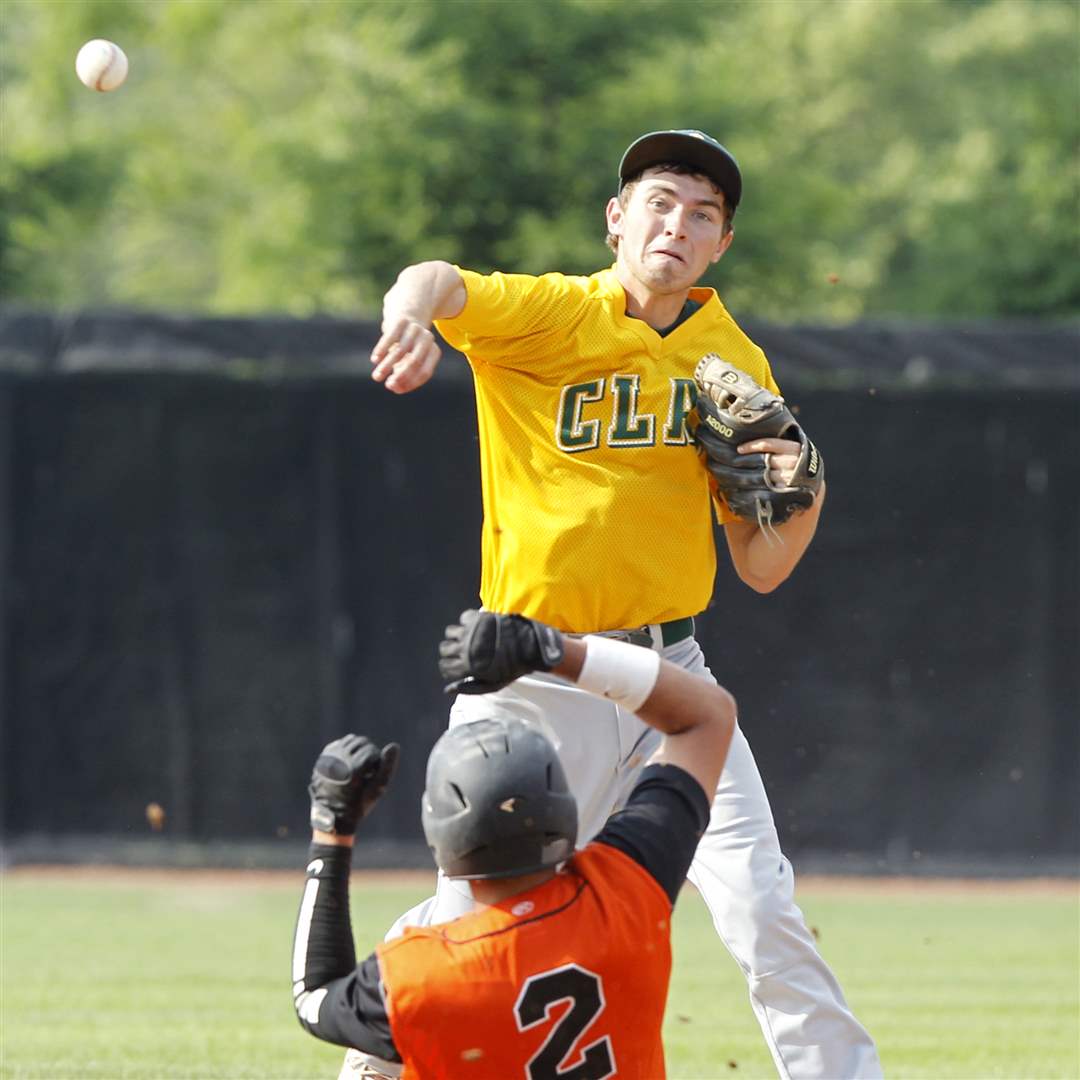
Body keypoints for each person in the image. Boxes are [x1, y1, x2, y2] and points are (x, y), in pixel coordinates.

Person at [361, 129, 881, 1078]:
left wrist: (809, 488)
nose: (677, 225)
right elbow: (440, 279)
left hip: (666, 680)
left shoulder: (735, 361)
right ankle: (374, 1060)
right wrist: (407, 308)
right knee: (468, 918)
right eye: (659, 202)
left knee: (762, 909)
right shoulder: (553, 315)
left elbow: (762, 564)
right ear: (617, 220)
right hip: (529, 672)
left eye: (702, 214)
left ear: (721, 245)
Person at [292, 608, 737, 1079]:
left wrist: (332, 831)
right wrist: (556, 651)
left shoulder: (422, 975)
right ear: (564, 814)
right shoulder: (624, 896)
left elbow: (314, 997)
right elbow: (707, 715)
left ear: (441, 839)